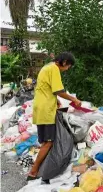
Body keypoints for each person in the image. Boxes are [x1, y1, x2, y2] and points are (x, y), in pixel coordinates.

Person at [27, 52, 82, 181]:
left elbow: (46, 88)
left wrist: (55, 100)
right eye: (68, 66)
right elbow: (58, 90)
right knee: (49, 142)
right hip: (46, 109)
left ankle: (41, 167)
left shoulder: (47, 67)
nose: (67, 69)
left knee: (45, 141)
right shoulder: (54, 69)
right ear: (63, 62)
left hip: (40, 106)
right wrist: (73, 99)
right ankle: (33, 172)